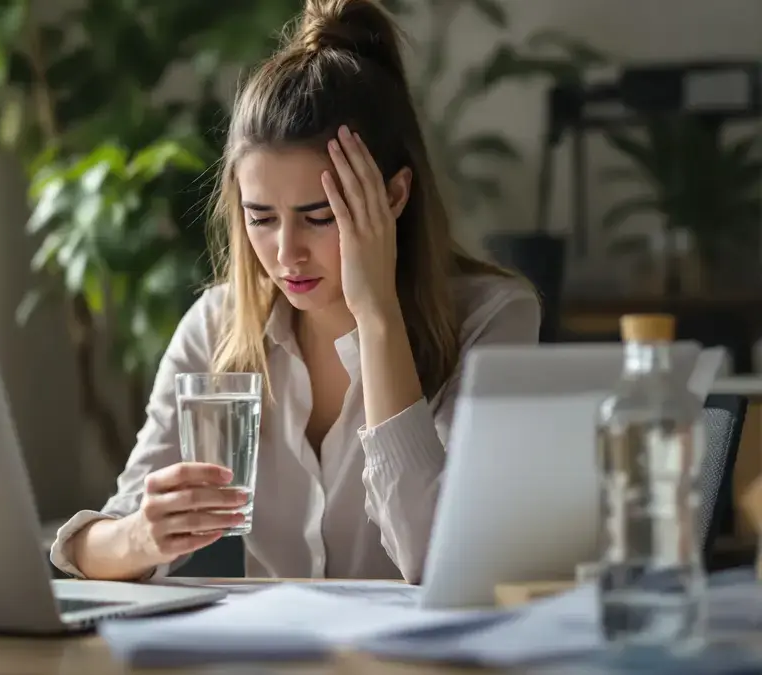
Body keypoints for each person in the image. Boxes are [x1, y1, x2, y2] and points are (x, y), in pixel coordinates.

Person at [50, 0, 541, 584]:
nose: (286, 254)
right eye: (261, 218)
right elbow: (92, 550)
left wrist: (376, 316)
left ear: (392, 197)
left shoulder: (493, 319)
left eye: (319, 215)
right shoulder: (218, 325)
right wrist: (140, 535)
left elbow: (438, 562)